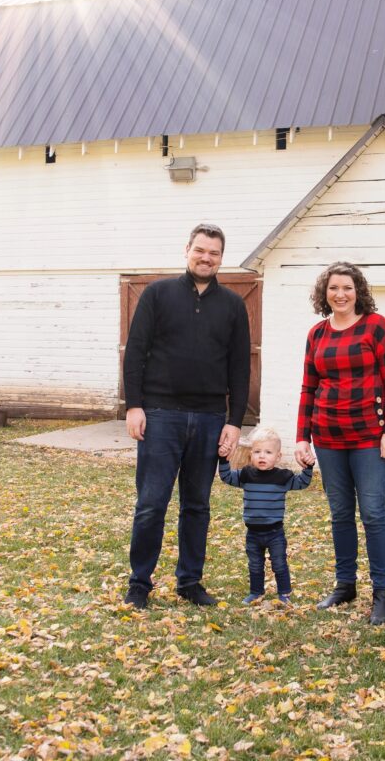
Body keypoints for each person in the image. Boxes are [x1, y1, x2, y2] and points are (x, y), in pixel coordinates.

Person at [123, 223, 251, 609]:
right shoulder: (158, 295)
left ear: (221, 258)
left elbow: (239, 368)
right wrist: (134, 405)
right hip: (161, 415)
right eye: (200, 250)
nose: (206, 257)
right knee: (151, 503)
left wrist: (234, 421)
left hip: (210, 417)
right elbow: (136, 353)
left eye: (213, 252)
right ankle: (139, 584)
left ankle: (189, 582)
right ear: (187, 250)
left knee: (197, 505)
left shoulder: (232, 305)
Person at [294, 262, 385, 625]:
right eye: (333, 288)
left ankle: (381, 593)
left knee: (372, 514)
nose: (340, 294)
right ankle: (345, 585)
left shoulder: (377, 326)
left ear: (359, 292)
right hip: (327, 437)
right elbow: (309, 387)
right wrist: (301, 437)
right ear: (324, 293)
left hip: (370, 437)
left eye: (348, 288)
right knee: (340, 513)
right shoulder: (317, 334)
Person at [218, 426, 314, 604]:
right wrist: (223, 459)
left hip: (275, 532)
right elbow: (226, 477)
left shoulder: (283, 477)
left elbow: (302, 483)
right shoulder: (246, 475)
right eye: (257, 452)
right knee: (255, 565)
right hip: (253, 533)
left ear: (277, 456)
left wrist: (308, 467)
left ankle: (284, 593)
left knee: (279, 564)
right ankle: (256, 592)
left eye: (268, 452)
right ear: (251, 454)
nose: (262, 456)